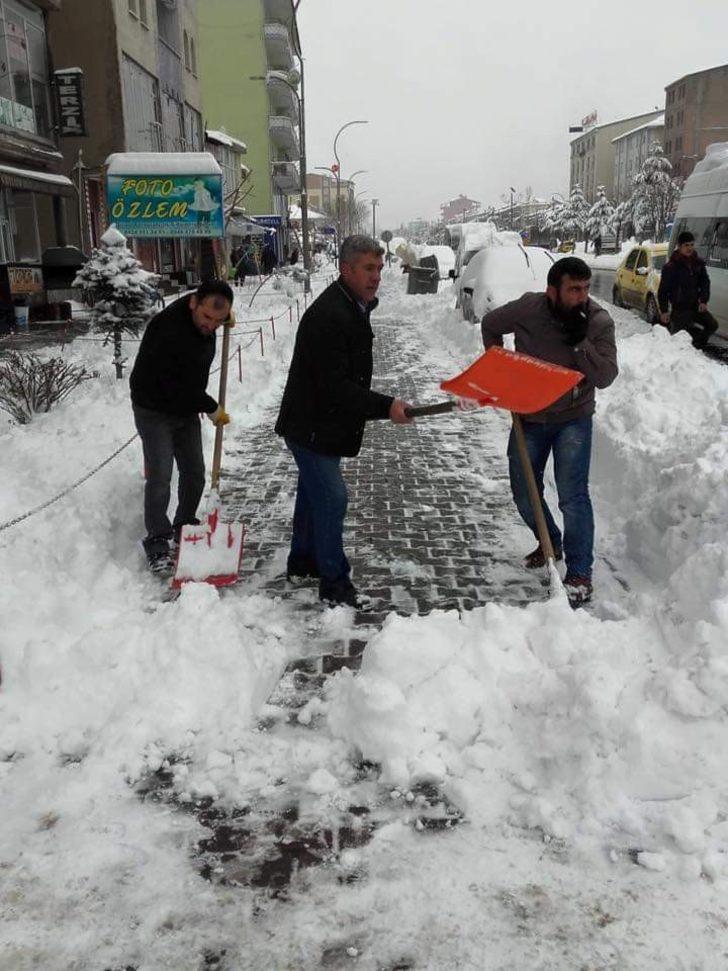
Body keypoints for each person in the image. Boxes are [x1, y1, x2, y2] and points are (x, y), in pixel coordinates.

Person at [275, 235, 414, 607]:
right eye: (368, 269)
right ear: (345, 269)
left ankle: (303, 562)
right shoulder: (330, 316)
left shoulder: (350, 305)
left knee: (313, 494)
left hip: (321, 422)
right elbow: (335, 387)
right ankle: (335, 585)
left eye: (379, 269)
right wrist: (387, 407)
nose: (377, 277)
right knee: (332, 498)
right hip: (311, 424)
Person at [481, 256, 618, 606]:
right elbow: (490, 323)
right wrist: (502, 369)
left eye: (586, 289)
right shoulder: (530, 308)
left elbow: (605, 376)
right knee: (524, 490)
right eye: (574, 289)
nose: (582, 296)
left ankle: (579, 573)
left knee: (573, 496)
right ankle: (549, 543)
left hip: (574, 416)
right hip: (530, 414)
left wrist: (579, 344)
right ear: (551, 291)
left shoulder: (598, 321)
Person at [129, 280, 234, 572]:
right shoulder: (169, 332)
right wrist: (211, 407)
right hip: (154, 406)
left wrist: (222, 318)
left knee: (195, 472)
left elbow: (188, 387)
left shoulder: (205, 316)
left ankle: (184, 524)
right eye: (207, 318)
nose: (211, 326)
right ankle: (158, 539)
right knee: (161, 474)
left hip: (185, 406)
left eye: (218, 320)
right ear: (193, 303)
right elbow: (177, 384)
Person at [657, 231, 718, 350]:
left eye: (691, 244)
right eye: (686, 245)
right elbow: (663, 291)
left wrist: (703, 300)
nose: (689, 248)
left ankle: (696, 346)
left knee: (712, 325)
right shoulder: (671, 267)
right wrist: (664, 310)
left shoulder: (698, 263)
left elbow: (705, 282)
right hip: (680, 310)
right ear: (679, 246)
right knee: (678, 345)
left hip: (695, 306)